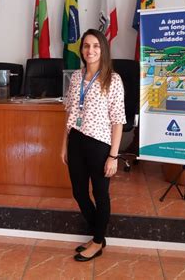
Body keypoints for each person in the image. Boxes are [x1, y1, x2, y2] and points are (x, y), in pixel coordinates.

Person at [61, 28, 126, 262]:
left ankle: (98, 241)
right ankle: (98, 235)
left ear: (103, 49)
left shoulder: (113, 79)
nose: (91, 50)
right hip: (76, 140)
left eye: (96, 46)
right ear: (82, 50)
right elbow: (69, 111)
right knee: (79, 192)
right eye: (86, 46)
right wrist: (64, 145)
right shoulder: (77, 77)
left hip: (100, 145)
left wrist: (113, 156)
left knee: (100, 194)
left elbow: (118, 120)